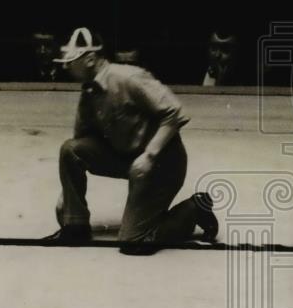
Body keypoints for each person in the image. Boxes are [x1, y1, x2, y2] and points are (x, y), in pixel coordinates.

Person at [45, 27, 219, 255]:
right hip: (127, 157)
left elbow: (175, 113)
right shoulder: (89, 90)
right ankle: (75, 227)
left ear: (89, 59)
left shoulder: (129, 77)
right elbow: (81, 141)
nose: (66, 66)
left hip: (162, 163)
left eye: (71, 61)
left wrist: (149, 156)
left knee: (135, 243)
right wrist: (68, 198)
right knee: (70, 150)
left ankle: (194, 208)